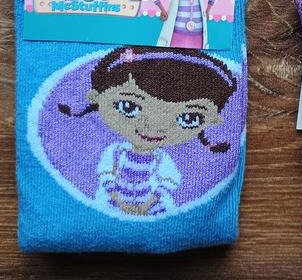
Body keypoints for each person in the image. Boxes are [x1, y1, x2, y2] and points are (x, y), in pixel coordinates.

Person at [58, 47, 237, 216]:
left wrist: (149, 203)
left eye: (189, 118)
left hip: (153, 206)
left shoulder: (161, 161)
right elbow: (106, 176)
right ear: (95, 97)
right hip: (112, 201)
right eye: (128, 106)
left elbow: (167, 183)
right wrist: (116, 197)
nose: (155, 126)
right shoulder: (116, 153)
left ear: (214, 120)